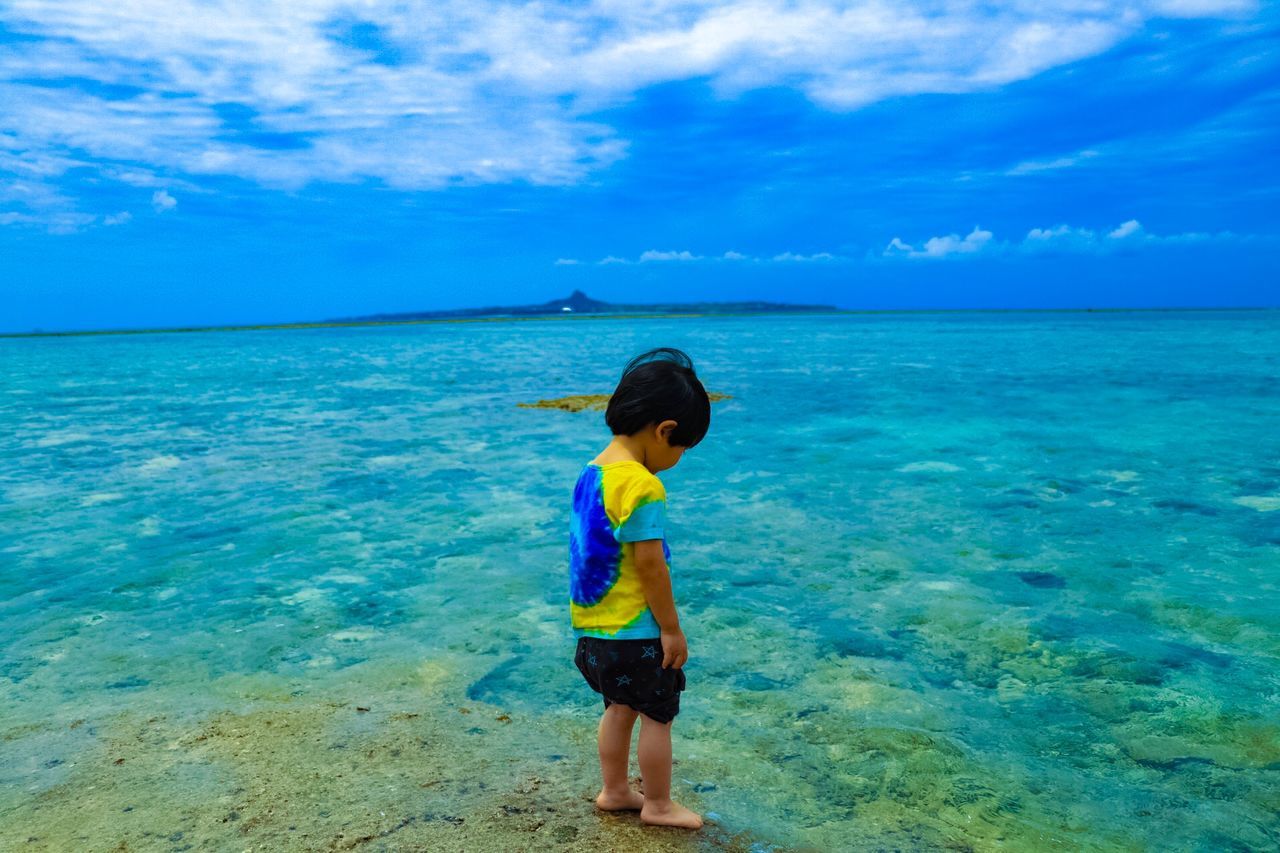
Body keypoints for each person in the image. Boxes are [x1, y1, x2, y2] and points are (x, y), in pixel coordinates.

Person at [568, 347, 711, 830]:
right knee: (657, 716)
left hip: (593, 635)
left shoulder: (591, 475)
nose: (678, 459)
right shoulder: (643, 485)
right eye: (682, 448)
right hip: (637, 636)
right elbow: (650, 567)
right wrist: (671, 630)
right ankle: (659, 804)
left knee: (618, 708)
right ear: (664, 430)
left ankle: (614, 791)